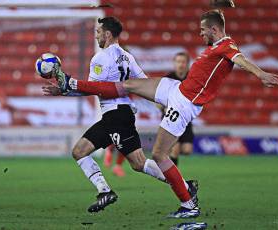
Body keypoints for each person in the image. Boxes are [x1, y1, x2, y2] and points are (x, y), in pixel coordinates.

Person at [55, 10, 278, 217]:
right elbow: (140, 81)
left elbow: (239, 59)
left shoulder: (226, 46)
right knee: (130, 85)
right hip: (175, 89)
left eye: (203, 30)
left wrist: (260, 74)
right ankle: (71, 84)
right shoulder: (212, 48)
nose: (200, 33)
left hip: (184, 102)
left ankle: (188, 203)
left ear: (214, 29)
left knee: (159, 155)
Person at [41, 17, 198, 214]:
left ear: (107, 34)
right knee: (80, 151)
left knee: (139, 163)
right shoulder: (127, 57)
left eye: (98, 32)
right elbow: (144, 82)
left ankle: (185, 187)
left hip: (116, 115)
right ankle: (104, 191)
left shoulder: (100, 58)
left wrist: (67, 86)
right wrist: (63, 90)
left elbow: (94, 88)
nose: (96, 35)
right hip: (115, 116)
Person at [161, 52, 195, 166]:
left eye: (183, 62)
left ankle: (167, 158)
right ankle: (175, 180)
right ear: (174, 63)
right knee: (175, 149)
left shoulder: (192, 79)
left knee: (187, 150)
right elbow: (157, 99)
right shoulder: (168, 79)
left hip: (185, 119)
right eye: (178, 62)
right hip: (171, 118)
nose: (181, 64)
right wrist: (164, 108)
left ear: (188, 64)